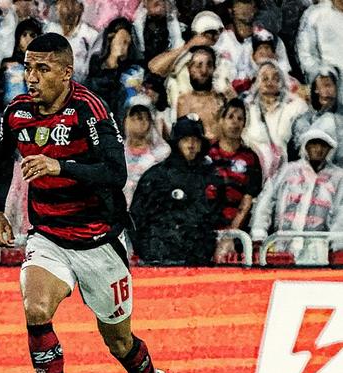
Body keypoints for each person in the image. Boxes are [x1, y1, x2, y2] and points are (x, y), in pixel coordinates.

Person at [0, 33, 168, 373]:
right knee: (35, 309)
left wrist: (60, 166)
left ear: (66, 73)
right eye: (27, 68)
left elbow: (115, 173)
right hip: (49, 237)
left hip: (98, 241)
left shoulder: (88, 110)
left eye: (42, 69)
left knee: (120, 342)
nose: (31, 78)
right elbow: (2, 156)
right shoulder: (16, 113)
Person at [130, 115, 225, 266]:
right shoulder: (156, 176)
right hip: (159, 258)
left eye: (196, 140)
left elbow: (215, 216)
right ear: (176, 143)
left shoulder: (211, 177)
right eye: (186, 139)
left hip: (197, 260)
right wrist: (147, 249)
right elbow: (137, 217)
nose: (191, 145)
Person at [250, 115, 343, 264]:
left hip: (320, 256)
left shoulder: (338, 178)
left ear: (330, 149)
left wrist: (336, 246)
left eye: (323, 145)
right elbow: (265, 203)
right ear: (305, 145)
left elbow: (341, 215)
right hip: (283, 251)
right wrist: (258, 235)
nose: (318, 149)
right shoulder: (287, 171)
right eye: (314, 144)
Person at [209, 98, 262, 263]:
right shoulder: (207, 154)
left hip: (237, 231)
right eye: (231, 117)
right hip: (206, 229)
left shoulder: (251, 158)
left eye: (240, 119)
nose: (235, 123)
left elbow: (247, 200)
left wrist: (230, 234)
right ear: (221, 120)